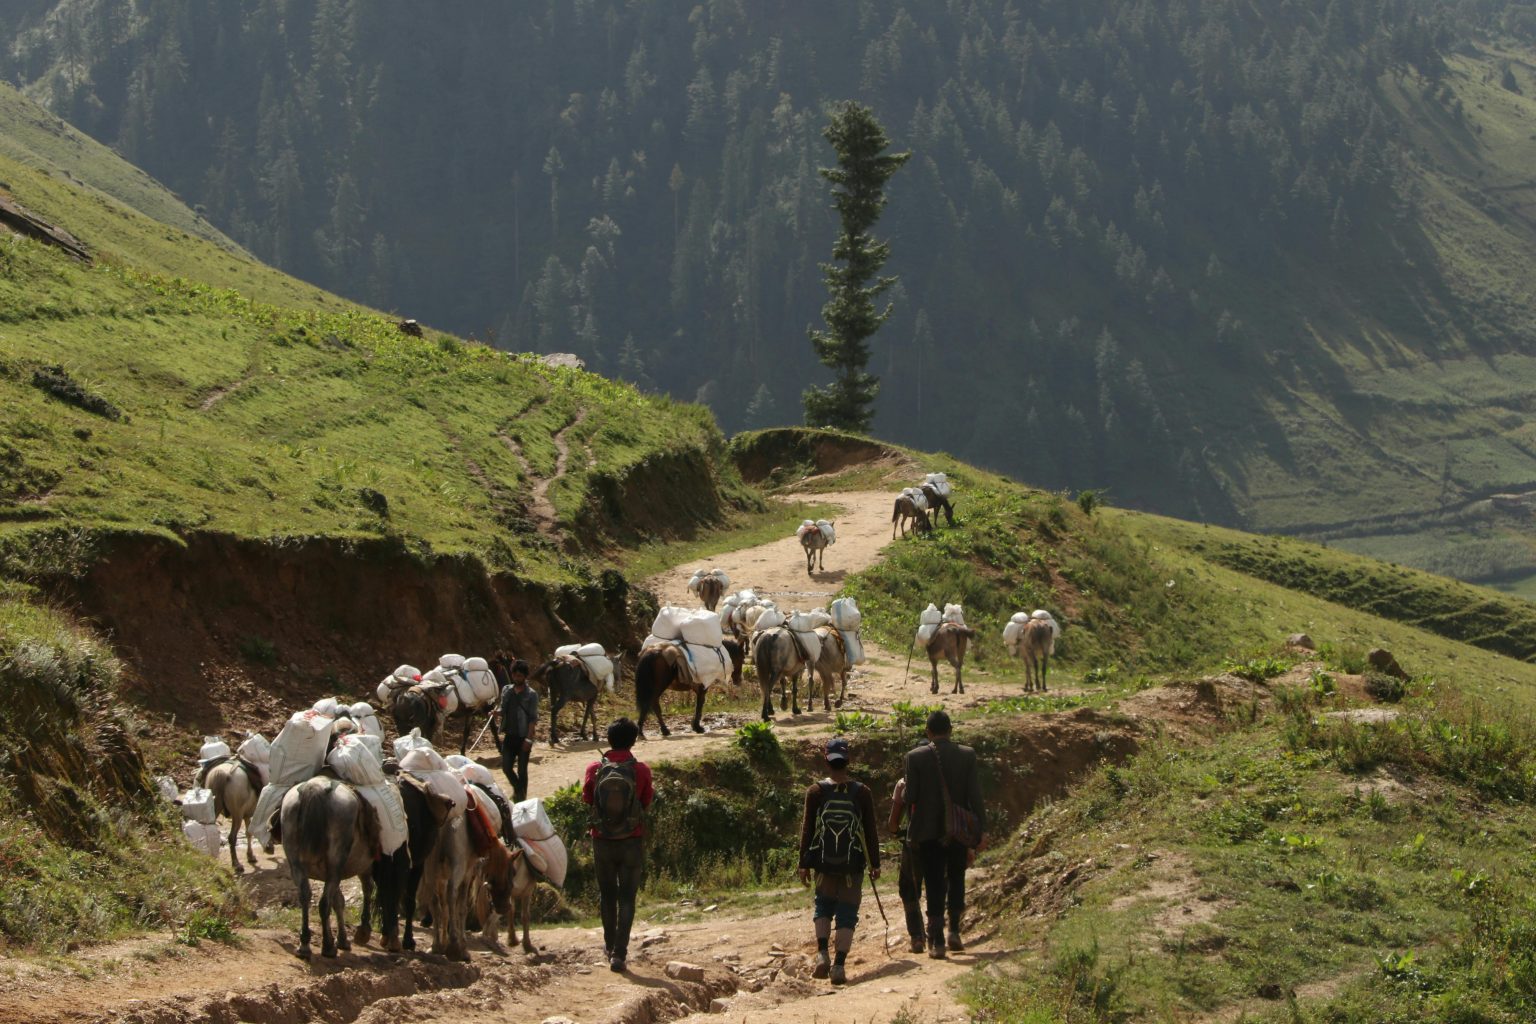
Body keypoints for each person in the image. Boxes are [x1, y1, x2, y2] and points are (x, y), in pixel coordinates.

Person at [797, 737, 881, 985]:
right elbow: (870, 831)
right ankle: (839, 967)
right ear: (848, 761)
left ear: (826, 761)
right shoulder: (862, 793)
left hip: (823, 862)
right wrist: (875, 863)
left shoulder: (815, 791)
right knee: (847, 911)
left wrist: (803, 862)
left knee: (823, 905)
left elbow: (807, 829)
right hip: (852, 864)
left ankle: (822, 954)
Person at [902, 709, 984, 958]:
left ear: (928, 732)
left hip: (928, 832)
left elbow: (911, 797)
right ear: (950, 730)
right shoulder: (967, 755)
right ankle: (955, 931)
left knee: (934, 882)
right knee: (956, 877)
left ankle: (936, 941)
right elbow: (975, 797)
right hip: (958, 830)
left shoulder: (914, 757)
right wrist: (981, 831)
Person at [582, 717, 653, 973]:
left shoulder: (594, 768)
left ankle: (609, 945)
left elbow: (588, 798)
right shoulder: (641, 770)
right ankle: (620, 953)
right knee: (627, 897)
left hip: (602, 840)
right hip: (631, 840)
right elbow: (646, 801)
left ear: (608, 739)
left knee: (607, 895)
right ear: (633, 741)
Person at [887, 776, 925, 953]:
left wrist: (896, 832)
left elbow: (893, 823)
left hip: (915, 843)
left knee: (909, 888)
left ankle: (917, 937)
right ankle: (938, 934)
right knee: (938, 885)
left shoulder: (904, 783)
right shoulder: (943, 777)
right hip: (942, 842)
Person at [497, 659, 537, 801]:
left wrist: (528, 739)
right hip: (510, 735)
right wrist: (496, 713)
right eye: (515, 676)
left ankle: (522, 798)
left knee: (522, 770)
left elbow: (533, 719)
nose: (517, 678)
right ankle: (518, 789)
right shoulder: (506, 690)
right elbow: (503, 709)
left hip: (523, 736)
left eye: (520, 676)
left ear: (525, 676)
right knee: (506, 767)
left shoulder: (531, 694)